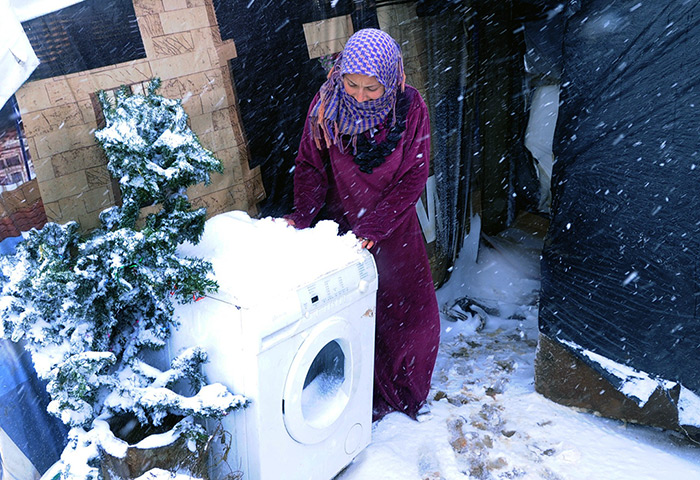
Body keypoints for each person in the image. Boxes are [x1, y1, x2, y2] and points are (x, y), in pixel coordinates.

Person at [285, 28, 440, 421]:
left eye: (371, 89)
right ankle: (355, 395)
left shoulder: (411, 107)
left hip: (395, 228)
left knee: (412, 319)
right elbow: (310, 166)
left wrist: (376, 227)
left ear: (389, 80)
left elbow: (414, 174)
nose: (358, 96)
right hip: (342, 231)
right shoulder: (326, 106)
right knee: (357, 315)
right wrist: (303, 218)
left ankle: (404, 391)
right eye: (351, 84)